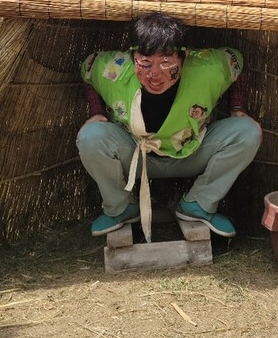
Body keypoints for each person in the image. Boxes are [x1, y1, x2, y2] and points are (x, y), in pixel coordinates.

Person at [77, 12, 261, 238]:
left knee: (247, 132)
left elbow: (236, 60)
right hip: (135, 155)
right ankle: (120, 208)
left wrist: (238, 109)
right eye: (145, 61)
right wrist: (96, 112)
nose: (154, 74)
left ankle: (199, 204)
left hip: (191, 153)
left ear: (184, 59)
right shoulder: (113, 70)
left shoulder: (208, 68)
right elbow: (88, 67)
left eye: (166, 62)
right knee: (91, 136)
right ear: (132, 56)